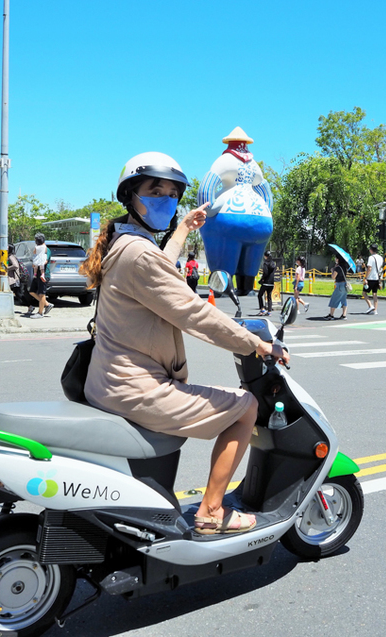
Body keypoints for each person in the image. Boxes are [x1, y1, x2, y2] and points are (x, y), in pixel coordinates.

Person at [79, 151, 289, 535]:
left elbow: (159, 270)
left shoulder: (125, 244)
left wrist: (182, 231)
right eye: (155, 189)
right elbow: (194, 313)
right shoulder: (138, 254)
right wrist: (254, 344)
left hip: (109, 381)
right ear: (131, 195)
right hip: (135, 387)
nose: (166, 198)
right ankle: (211, 512)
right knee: (246, 407)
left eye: (173, 193)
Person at [26, 233, 53, 318]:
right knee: (32, 291)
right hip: (36, 274)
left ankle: (40, 313)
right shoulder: (38, 249)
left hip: (44, 274)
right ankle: (47, 304)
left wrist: (37, 263)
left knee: (42, 294)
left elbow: (44, 261)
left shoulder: (46, 249)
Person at [324, 254, 348, 320]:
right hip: (344, 285)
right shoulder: (344, 267)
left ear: (338, 259)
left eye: (336, 258)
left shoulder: (338, 268)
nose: (335, 259)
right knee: (343, 300)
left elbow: (333, 277)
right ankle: (344, 315)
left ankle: (331, 315)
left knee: (334, 299)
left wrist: (332, 271)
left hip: (339, 285)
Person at [362, 244, 383, 315]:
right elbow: (380, 268)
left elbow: (369, 268)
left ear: (371, 250)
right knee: (375, 294)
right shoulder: (380, 258)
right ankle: (375, 310)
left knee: (364, 293)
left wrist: (365, 278)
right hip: (377, 278)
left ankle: (370, 306)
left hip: (370, 278)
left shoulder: (371, 258)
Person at [257, 250, 276, 316]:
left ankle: (262, 309)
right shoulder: (273, 263)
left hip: (266, 282)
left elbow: (265, 273)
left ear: (265, 256)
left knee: (259, 295)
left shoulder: (265, 263)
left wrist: (262, 279)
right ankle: (269, 311)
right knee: (269, 296)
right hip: (271, 282)